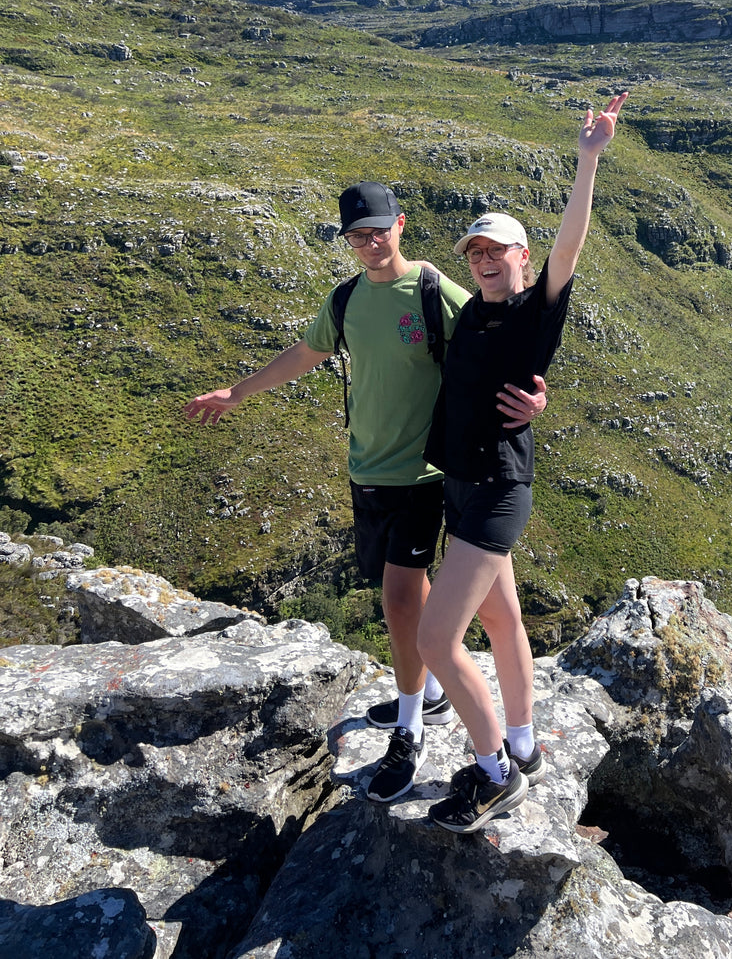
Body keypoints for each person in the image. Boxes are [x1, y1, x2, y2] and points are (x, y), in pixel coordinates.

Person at [184, 181, 547, 803]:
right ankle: (453, 705)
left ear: (400, 225)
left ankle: (414, 729)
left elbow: (502, 339)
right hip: (369, 471)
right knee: (479, 606)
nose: (370, 242)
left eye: (378, 230)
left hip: (427, 474)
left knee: (403, 601)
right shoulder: (346, 298)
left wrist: (536, 396)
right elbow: (307, 352)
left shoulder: (434, 291)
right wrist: (237, 392)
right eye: (357, 235)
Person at [419, 91, 628, 833]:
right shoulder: (468, 313)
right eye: (474, 251)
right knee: (504, 622)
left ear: (522, 258)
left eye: (495, 250)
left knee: (436, 639)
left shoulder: (533, 309)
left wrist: (588, 158)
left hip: (499, 487)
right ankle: (525, 744)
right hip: (460, 483)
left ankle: (492, 775)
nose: (483, 259)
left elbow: (569, 248)